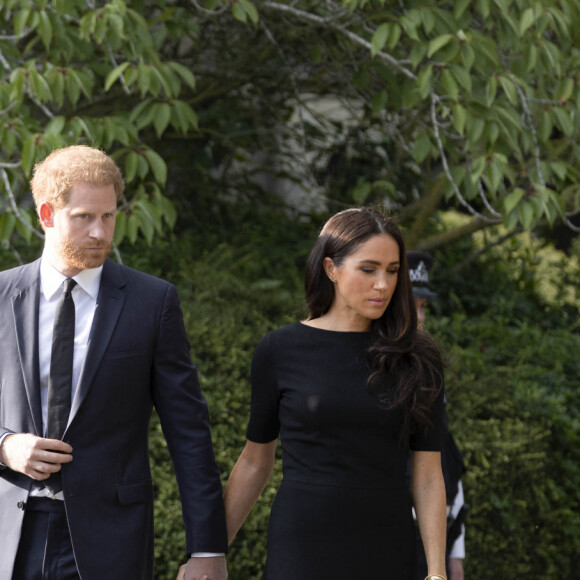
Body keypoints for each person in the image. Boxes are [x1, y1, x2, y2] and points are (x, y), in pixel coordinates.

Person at [0, 145, 228, 580]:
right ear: (47, 215)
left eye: (109, 216)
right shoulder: (1, 296)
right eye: (85, 217)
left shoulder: (153, 302)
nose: (101, 233)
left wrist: (207, 548)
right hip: (10, 534)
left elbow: (189, 432)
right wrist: (5, 445)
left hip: (111, 540)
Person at [223, 207, 448, 579]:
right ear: (331, 268)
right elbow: (254, 462)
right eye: (368, 269)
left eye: (392, 271)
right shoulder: (280, 350)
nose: (383, 284)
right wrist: (212, 551)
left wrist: (437, 571)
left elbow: (426, 474)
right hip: (302, 548)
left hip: (387, 548)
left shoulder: (418, 357)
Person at [407, 251, 468, 580]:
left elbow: (447, 461)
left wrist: (454, 553)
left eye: (423, 306)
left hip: (429, 541)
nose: (418, 317)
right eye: (410, 304)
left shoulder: (428, 370)